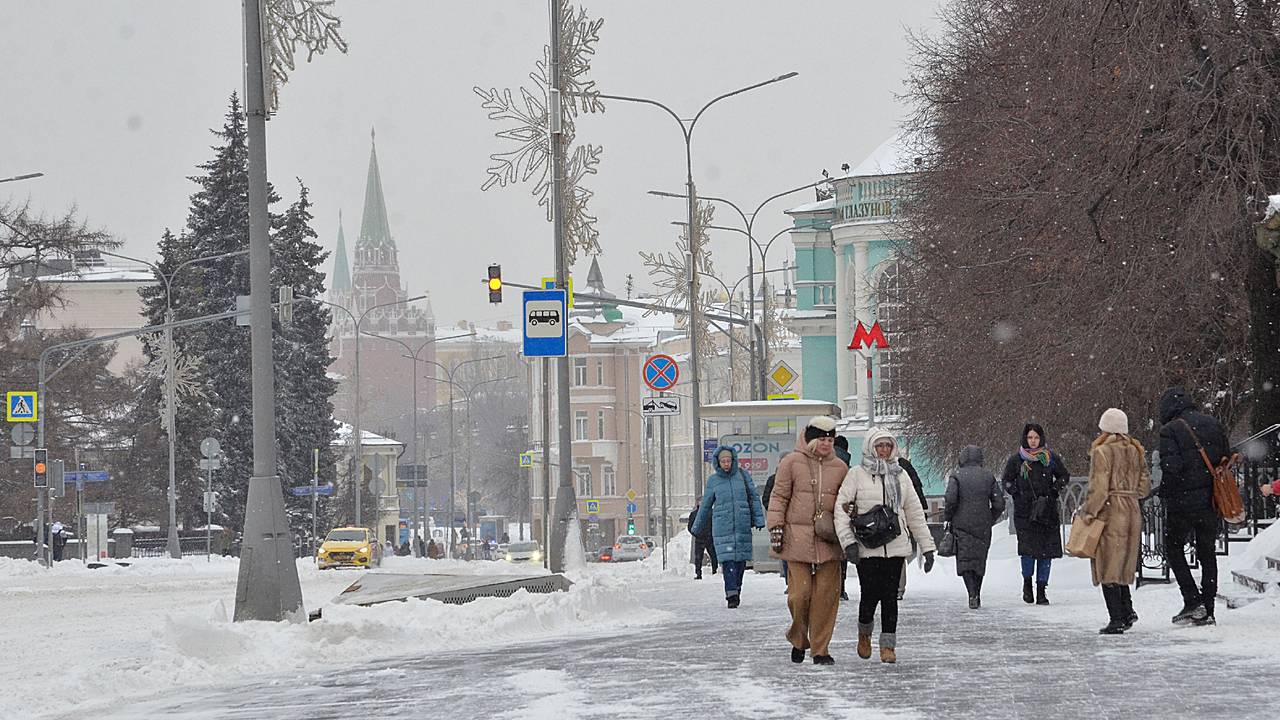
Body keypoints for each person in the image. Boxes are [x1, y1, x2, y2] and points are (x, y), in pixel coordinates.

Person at [836, 427, 936, 664]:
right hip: (867, 547)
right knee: (870, 596)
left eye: (887, 446)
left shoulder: (901, 475)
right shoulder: (856, 474)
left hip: (895, 545)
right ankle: (864, 633)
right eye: (879, 446)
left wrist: (927, 546)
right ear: (870, 447)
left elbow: (914, 512)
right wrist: (848, 542)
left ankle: (888, 645)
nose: (883, 450)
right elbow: (841, 510)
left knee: (890, 597)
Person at [768, 416, 848, 665]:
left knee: (826, 597)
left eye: (830, 440)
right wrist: (776, 527)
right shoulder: (792, 462)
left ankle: (820, 649)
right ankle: (799, 638)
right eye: (822, 439)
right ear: (812, 440)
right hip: (796, 538)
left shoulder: (840, 467)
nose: (826, 444)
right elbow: (779, 496)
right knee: (799, 595)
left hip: (828, 538)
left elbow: (846, 500)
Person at [1158, 387, 1230, 626]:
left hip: (1182, 503)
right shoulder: (1213, 424)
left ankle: (1192, 599)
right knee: (1207, 553)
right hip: (1211, 500)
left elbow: (1172, 468)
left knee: (1173, 547)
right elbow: (1225, 457)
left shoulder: (1170, 430)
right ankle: (1208, 608)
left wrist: (1165, 493)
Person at [1079, 408, 1150, 634]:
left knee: (1108, 564)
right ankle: (1127, 610)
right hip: (1132, 510)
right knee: (1122, 563)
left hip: (1111, 511)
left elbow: (1099, 489)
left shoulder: (1102, 452)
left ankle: (1116, 618)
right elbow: (1144, 487)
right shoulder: (1136, 451)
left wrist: (1088, 512)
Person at [1002, 422, 1070, 605]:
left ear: (1041, 439)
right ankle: (1027, 584)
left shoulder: (1049, 458)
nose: (1033, 441)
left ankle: (1041, 589)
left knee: (1046, 552)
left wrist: (1054, 490)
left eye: (1036, 437)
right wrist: (1017, 493)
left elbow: (1064, 476)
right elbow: (1006, 480)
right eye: (1030, 437)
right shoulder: (1017, 460)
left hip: (1046, 511)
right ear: (1025, 439)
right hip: (1025, 512)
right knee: (1027, 551)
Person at [692, 446, 765, 609]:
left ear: (733, 461)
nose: (726, 464)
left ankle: (736, 588)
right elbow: (705, 505)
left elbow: (753, 498)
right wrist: (697, 526)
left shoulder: (743, 476)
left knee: (740, 562)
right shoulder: (713, 481)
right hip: (722, 526)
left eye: (728, 461)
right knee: (728, 561)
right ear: (718, 463)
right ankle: (731, 593)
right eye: (723, 461)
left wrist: (759, 519)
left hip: (742, 524)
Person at [943, 445, 1006, 609]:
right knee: (979, 560)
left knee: (965, 560)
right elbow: (999, 503)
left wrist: (949, 517)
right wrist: (990, 518)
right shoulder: (988, 476)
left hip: (961, 524)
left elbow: (950, 500)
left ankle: (971, 593)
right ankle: (976, 591)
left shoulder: (956, 476)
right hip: (982, 525)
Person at [895, 452, 929, 601]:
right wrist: (922, 510)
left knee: (896, 551)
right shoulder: (904, 466)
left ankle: (895, 588)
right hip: (901, 516)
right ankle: (898, 588)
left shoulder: (870, 468)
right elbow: (917, 488)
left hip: (891, 517)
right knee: (899, 552)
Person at [762, 460, 789, 589]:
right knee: (783, 549)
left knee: (792, 551)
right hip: (780, 520)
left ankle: (792, 581)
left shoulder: (797, 477)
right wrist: (775, 511)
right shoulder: (773, 480)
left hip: (793, 520)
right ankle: (789, 580)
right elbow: (766, 499)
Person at [833, 437, 853, 601]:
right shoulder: (849, 469)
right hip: (845, 515)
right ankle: (841, 587)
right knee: (842, 552)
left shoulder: (825, 465)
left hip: (826, 515)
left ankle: (830, 587)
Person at [686, 500, 718, 579]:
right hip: (707, 538)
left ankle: (700, 573)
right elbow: (690, 527)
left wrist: (696, 534)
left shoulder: (696, 514)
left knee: (700, 557)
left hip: (702, 538)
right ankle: (714, 572)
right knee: (711, 555)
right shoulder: (710, 513)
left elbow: (690, 527)